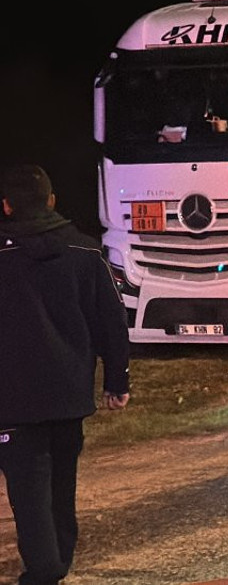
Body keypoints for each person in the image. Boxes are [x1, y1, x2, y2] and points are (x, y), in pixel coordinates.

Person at [0, 164, 131, 585]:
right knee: (61, 484)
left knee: (29, 491)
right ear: (52, 200)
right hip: (69, 394)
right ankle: (56, 563)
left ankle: (45, 571)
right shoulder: (86, 252)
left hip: (13, 401)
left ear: (6, 206)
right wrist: (117, 381)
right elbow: (112, 320)